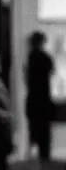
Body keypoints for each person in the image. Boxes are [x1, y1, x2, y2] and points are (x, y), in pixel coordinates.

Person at [25, 31, 55, 162]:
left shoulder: (30, 58)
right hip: (43, 102)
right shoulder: (44, 57)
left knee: (34, 135)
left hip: (33, 102)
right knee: (44, 139)